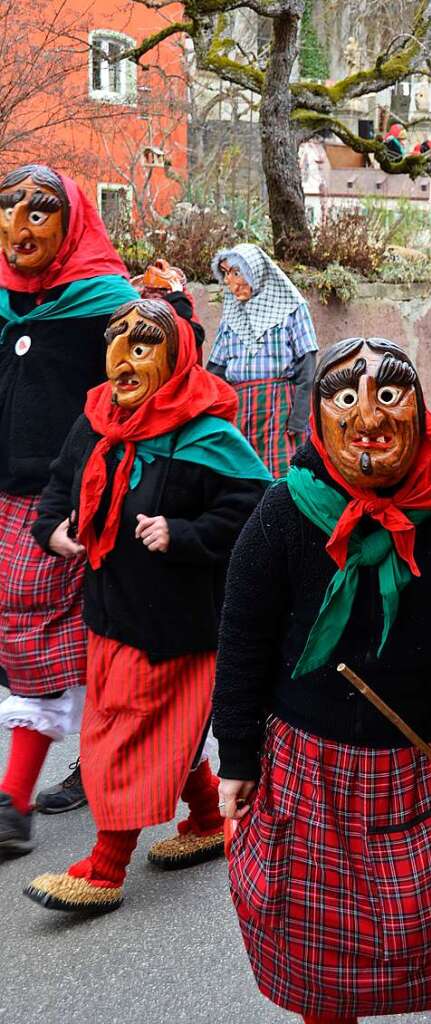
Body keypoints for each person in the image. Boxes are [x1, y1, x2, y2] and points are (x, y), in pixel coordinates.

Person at [213, 337, 431, 1023]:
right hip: (305, 764)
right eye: (346, 399)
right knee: (316, 949)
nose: (368, 419)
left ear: (417, 407)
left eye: (387, 396)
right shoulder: (286, 509)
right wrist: (236, 755)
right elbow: (241, 637)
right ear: (320, 415)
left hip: (422, 762)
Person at [21, 298, 270, 912]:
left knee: (125, 736)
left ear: (177, 356)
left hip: (175, 623)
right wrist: (53, 530)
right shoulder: (98, 418)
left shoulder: (209, 434)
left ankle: (106, 866)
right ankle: (210, 817)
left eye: (142, 347)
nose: (124, 361)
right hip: (108, 614)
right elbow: (59, 483)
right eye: (117, 344)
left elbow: (254, 512)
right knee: (158, 733)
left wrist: (183, 534)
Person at [0, 164, 137, 850]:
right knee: (93, 646)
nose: (21, 223)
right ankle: (169, 774)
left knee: (39, 630)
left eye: (40, 209)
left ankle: (10, 803)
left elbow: (137, 387)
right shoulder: (1, 299)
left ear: (72, 221)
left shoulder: (105, 302)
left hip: (63, 499)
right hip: (3, 492)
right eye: (9, 206)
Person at [207, 244, 318, 478]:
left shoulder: (291, 309)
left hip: (280, 408)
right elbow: (215, 370)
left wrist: (298, 418)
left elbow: (307, 367)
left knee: (282, 475)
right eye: (226, 274)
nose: (230, 281)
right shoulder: (231, 317)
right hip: (240, 407)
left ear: (255, 272)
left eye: (236, 273)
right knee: (241, 475)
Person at [133, 257, 205, 359]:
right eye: (151, 291)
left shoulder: (183, 306)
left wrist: (177, 299)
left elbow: (194, 337)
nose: (154, 296)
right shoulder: (139, 308)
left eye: (159, 292)